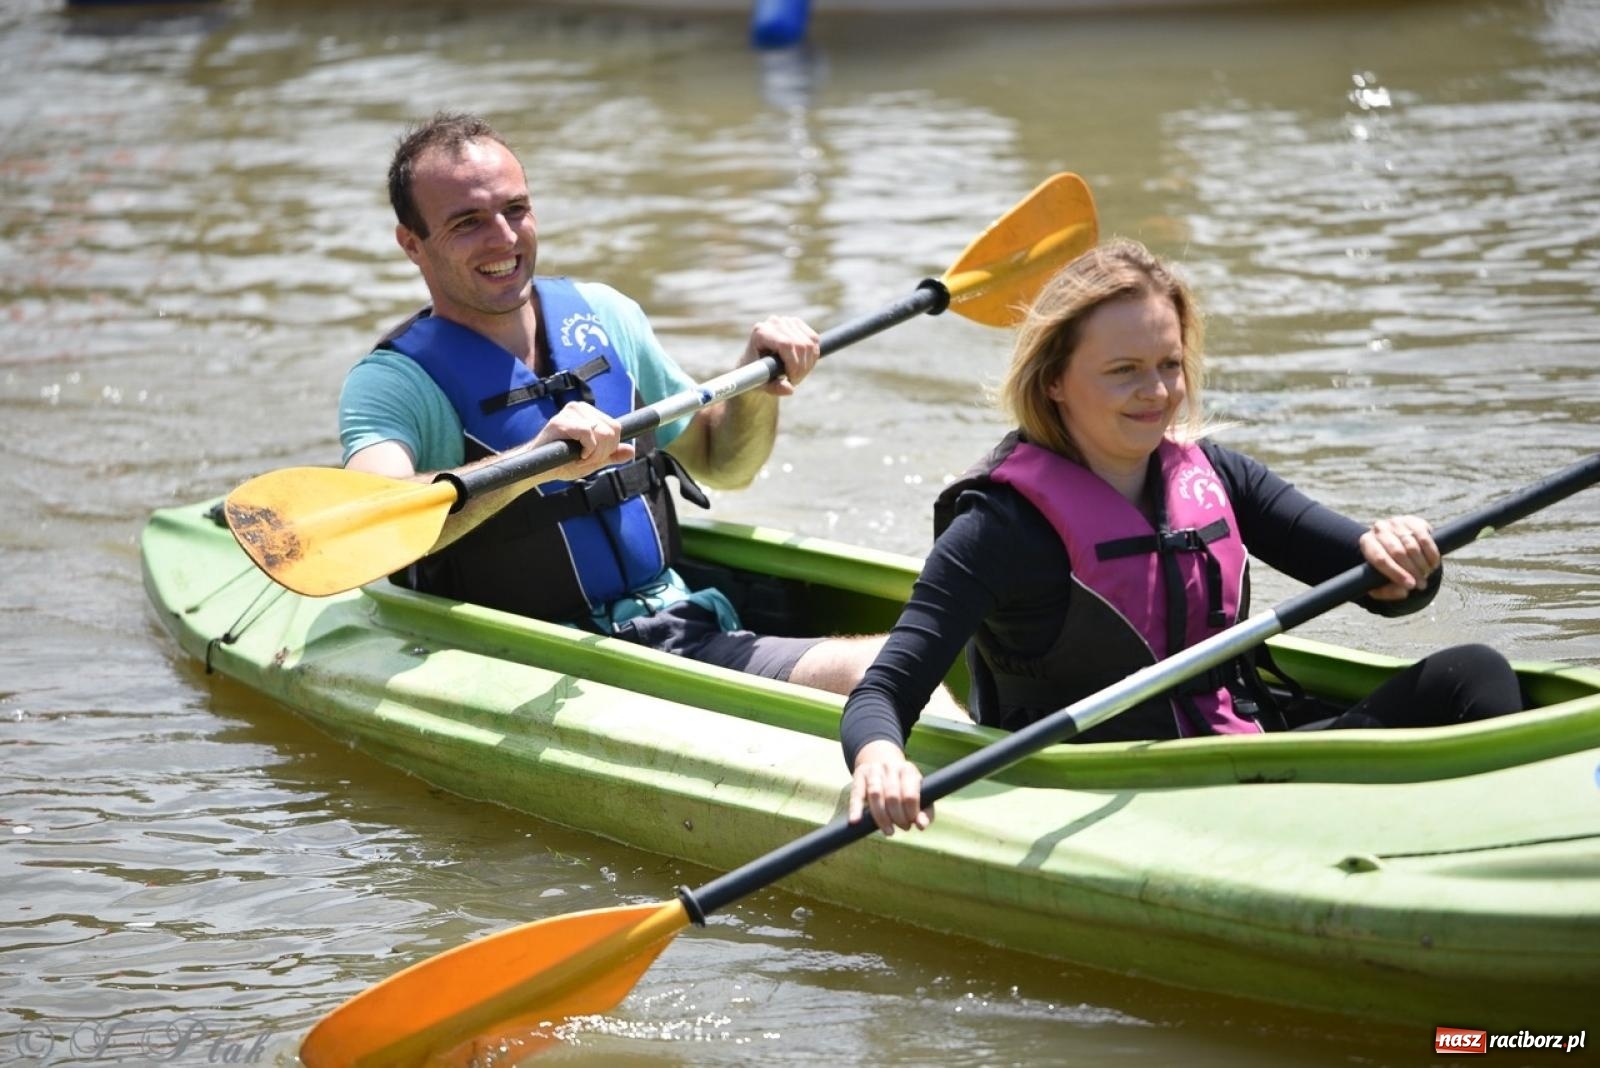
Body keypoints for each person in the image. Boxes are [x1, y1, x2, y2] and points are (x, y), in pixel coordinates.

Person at [841, 238, 1524, 834]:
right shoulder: (998, 526)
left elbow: (1388, 591)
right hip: (1104, 796)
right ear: (1054, 382)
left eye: (1168, 364)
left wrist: (1407, 556)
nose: (1158, 391)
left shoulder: (1219, 477)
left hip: (1243, 759)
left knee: (1474, 673)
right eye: (1124, 370)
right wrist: (880, 761)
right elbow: (883, 693)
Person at [339, 112, 923, 699]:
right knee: (870, 669)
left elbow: (724, 464)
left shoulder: (606, 318)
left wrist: (755, 383)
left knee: (895, 662)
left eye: (515, 209)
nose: (505, 238)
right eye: (468, 222)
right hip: (520, 669)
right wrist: (531, 463)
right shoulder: (396, 383)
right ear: (412, 244)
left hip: (676, 632)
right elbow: (372, 525)